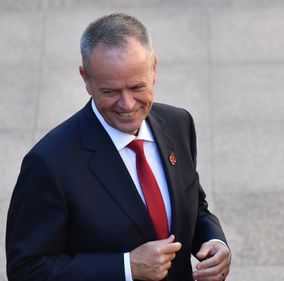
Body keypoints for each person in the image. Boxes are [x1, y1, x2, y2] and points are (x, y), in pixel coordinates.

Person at [6, 13, 230, 281]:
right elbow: (26, 269)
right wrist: (126, 267)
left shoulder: (178, 124)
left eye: (137, 87)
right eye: (110, 91)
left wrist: (215, 242)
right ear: (86, 79)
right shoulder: (49, 163)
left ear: (154, 69)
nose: (127, 105)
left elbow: (195, 206)